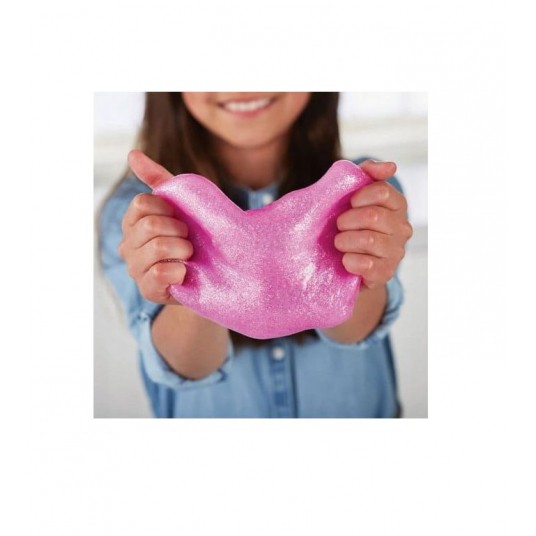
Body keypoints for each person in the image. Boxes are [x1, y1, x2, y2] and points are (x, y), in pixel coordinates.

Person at [98, 92, 413, 418]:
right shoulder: (142, 217)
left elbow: (356, 330)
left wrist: (353, 258)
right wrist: (201, 271)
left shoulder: (365, 197)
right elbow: (190, 366)